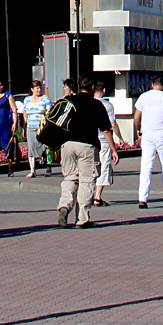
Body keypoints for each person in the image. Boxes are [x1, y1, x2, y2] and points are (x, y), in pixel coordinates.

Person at [55, 77, 120, 229]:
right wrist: (113, 149)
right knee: (86, 180)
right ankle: (82, 218)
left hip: (67, 144)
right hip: (87, 145)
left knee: (70, 177)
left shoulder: (69, 101)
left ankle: (64, 205)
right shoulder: (96, 104)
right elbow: (106, 130)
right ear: (91, 88)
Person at [134, 74, 163, 208]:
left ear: (152, 84)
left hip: (147, 134)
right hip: (162, 134)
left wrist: (139, 129)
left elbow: (136, 117)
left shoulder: (143, 97)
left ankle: (143, 198)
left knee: (146, 166)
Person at [92, 79, 119, 206]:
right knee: (104, 167)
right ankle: (97, 196)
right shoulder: (107, 105)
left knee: (91, 167)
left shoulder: (89, 103)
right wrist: (120, 139)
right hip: (103, 140)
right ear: (104, 91)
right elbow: (112, 125)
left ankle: (88, 195)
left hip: (90, 140)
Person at [19, 80, 52, 178]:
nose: (39, 90)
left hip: (41, 127)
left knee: (44, 147)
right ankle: (32, 170)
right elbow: (25, 114)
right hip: (31, 126)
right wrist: (24, 128)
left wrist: (45, 113)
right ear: (32, 89)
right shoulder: (27, 100)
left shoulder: (45, 99)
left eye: (39, 87)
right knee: (31, 147)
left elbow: (49, 112)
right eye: (36, 88)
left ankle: (48, 167)